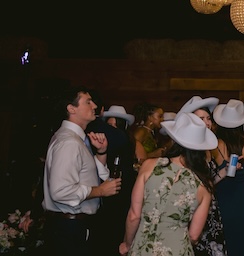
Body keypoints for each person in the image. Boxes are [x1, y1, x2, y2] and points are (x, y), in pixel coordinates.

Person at [119, 112, 218, 255]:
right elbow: (194, 236)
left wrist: (127, 243)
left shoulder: (149, 166)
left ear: (174, 140)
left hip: (143, 247)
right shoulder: (203, 184)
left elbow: (134, 215)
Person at [42, 86, 122, 256]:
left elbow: (90, 175)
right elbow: (61, 191)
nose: (94, 106)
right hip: (68, 228)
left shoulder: (76, 139)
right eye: (88, 102)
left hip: (72, 227)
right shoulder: (69, 142)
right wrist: (100, 191)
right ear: (71, 109)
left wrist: (101, 152)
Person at [175, 95, 227, 256]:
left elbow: (208, 182)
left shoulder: (208, 147)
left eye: (208, 118)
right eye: (201, 118)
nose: (207, 122)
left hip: (209, 209)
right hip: (194, 209)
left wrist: (224, 172)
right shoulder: (187, 151)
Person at [212, 99, 244, 256]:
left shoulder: (214, 145)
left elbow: (208, 179)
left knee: (225, 239)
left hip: (223, 200)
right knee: (242, 238)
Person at [87, 103, 136, 256]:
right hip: (103, 191)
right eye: (110, 125)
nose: (112, 130)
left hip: (121, 191)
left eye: (116, 125)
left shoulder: (126, 142)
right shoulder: (99, 143)